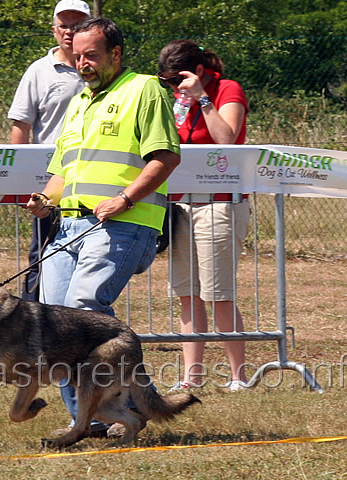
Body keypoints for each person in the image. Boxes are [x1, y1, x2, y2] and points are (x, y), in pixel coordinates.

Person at [27, 18, 181, 437]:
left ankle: (128, 406)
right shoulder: (80, 101)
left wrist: (125, 198)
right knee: (54, 330)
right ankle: (91, 419)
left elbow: (165, 157)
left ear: (116, 54)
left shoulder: (144, 89)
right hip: (70, 228)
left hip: (124, 222)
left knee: (83, 310)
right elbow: (62, 170)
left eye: (91, 55)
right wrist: (46, 199)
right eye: (77, 57)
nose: (83, 64)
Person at [157, 40, 250, 392]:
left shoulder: (227, 89)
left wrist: (203, 98)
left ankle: (237, 376)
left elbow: (227, 141)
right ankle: (190, 377)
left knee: (218, 292)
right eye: (166, 82)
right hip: (182, 204)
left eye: (176, 79)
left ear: (196, 71)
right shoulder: (177, 100)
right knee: (188, 293)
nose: (173, 87)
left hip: (220, 202)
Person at [7, 0, 90, 301]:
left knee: (88, 259)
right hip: (50, 185)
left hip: (91, 183)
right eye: (64, 25)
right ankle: (31, 326)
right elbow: (21, 127)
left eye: (78, 24)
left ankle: (77, 327)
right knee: (42, 257)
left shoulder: (102, 68)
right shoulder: (39, 71)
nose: (70, 31)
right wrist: (23, 184)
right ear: (54, 30)